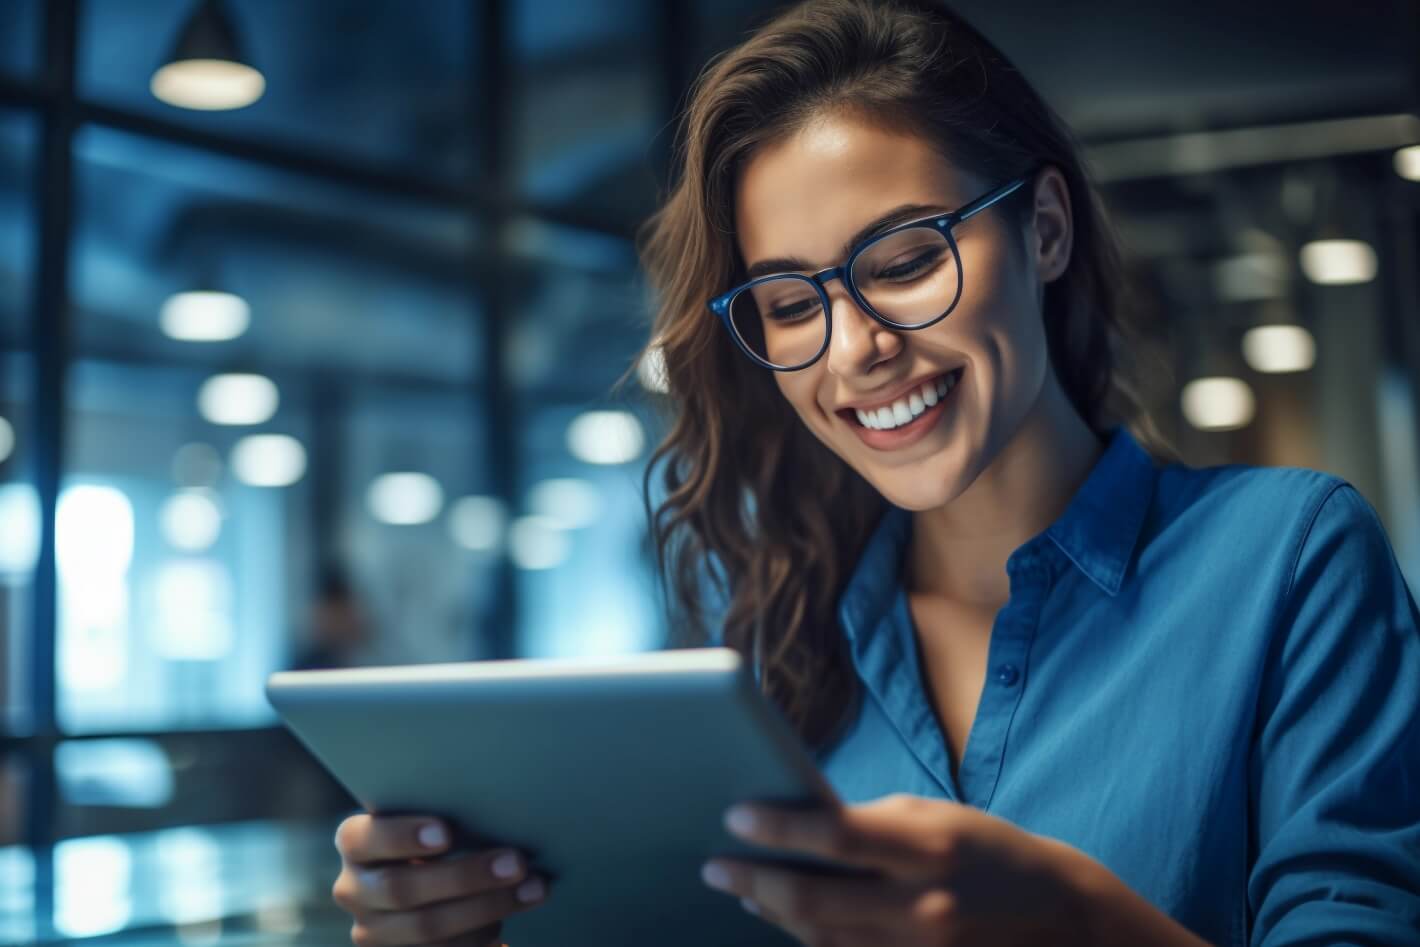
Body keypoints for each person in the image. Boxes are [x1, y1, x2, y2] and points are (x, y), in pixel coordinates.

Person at [328, 1, 1420, 944]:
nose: (855, 349)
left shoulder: (1286, 561)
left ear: (1043, 230)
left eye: (904, 261)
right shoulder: (769, 661)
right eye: (790, 303)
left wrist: (1070, 918)